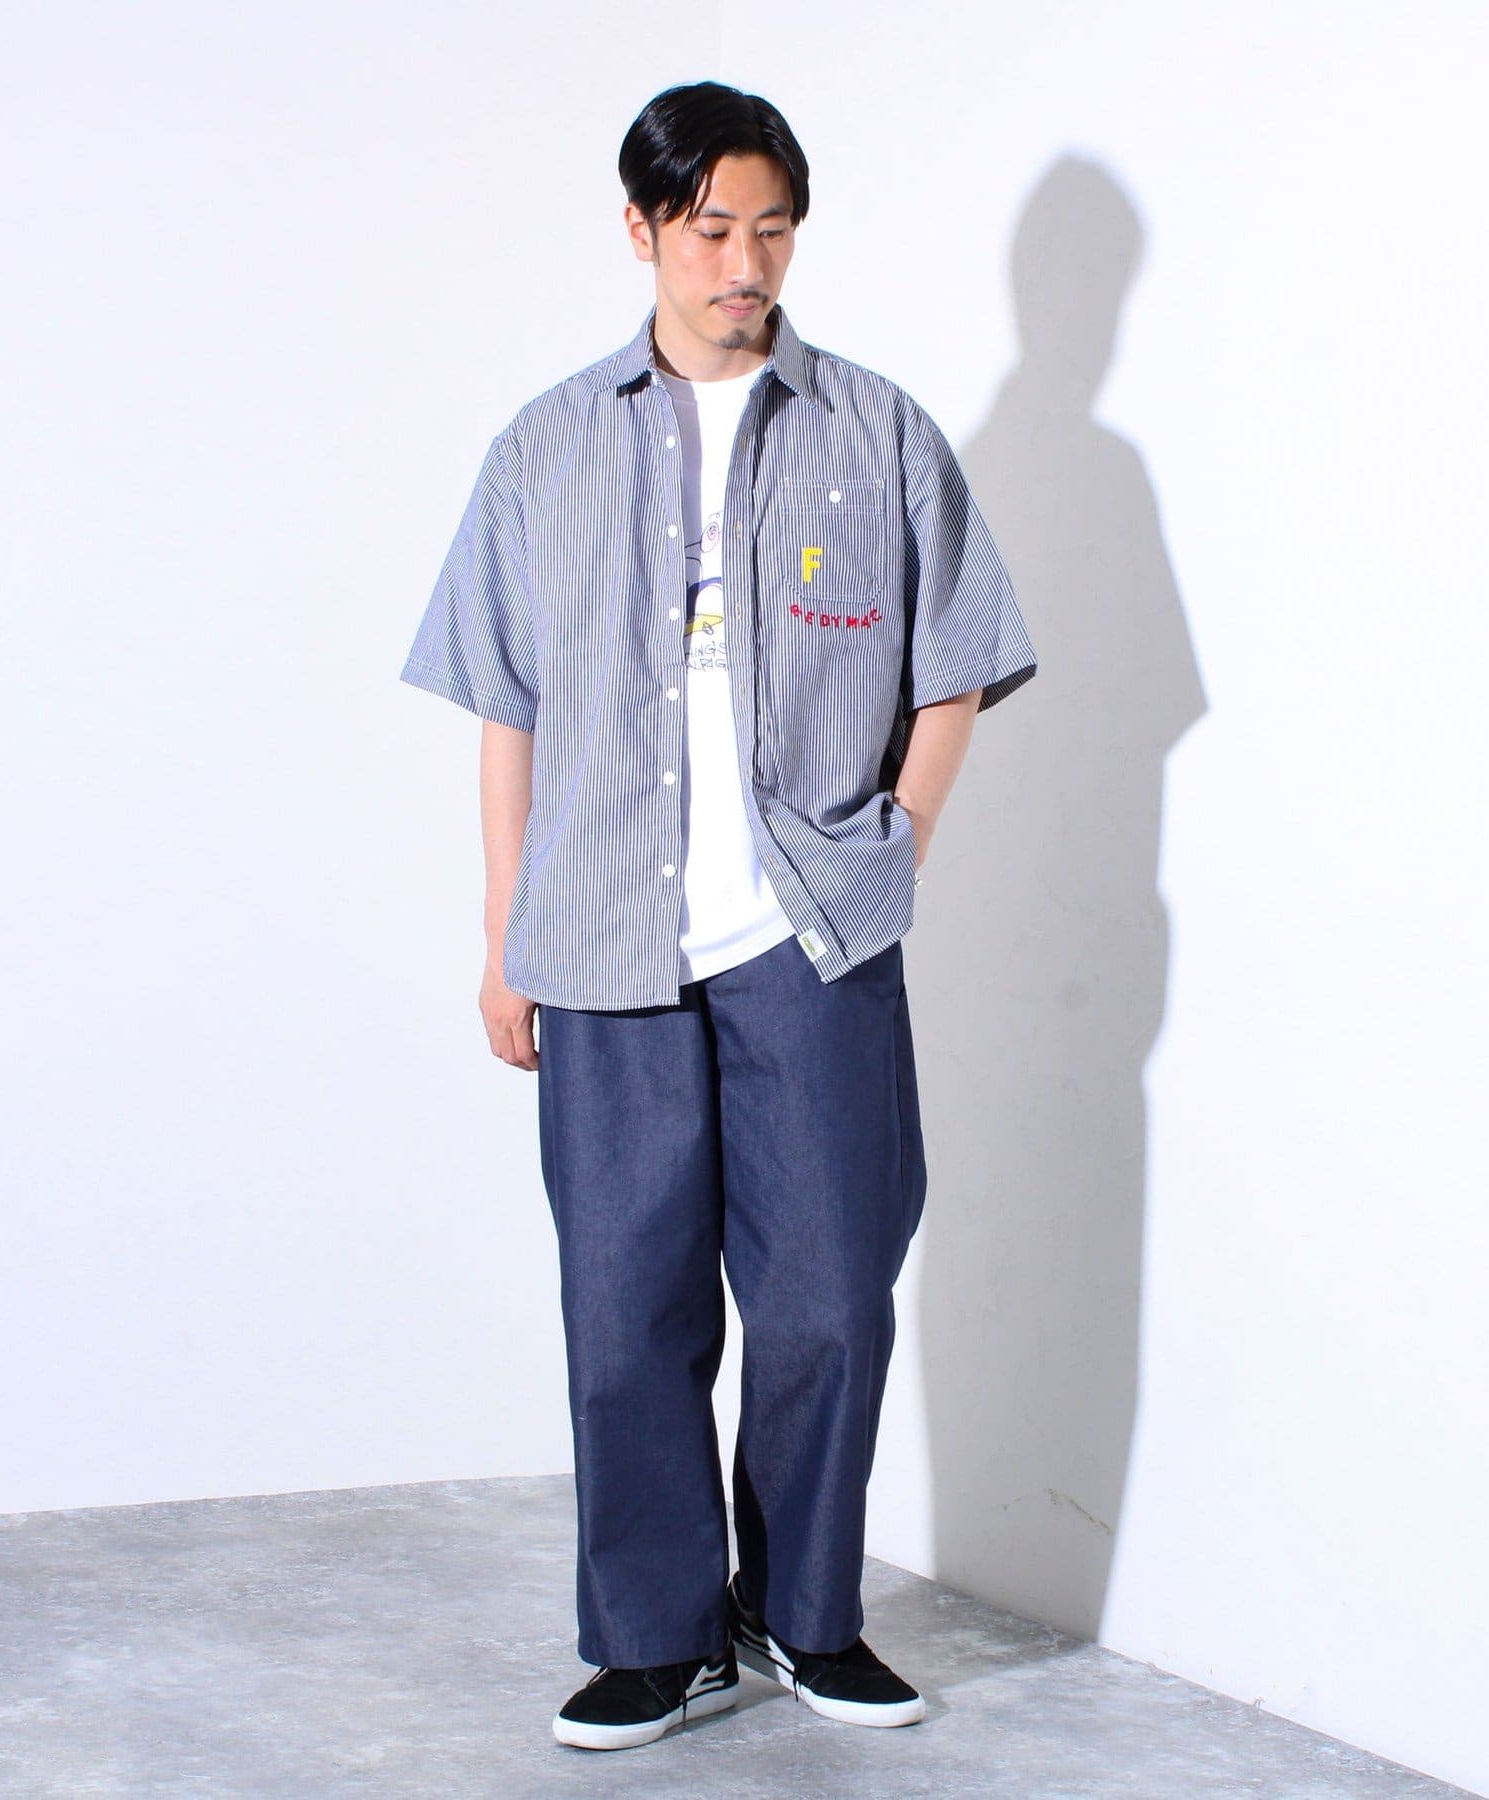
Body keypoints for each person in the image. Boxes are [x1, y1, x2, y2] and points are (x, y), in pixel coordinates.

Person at [398, 79, 1037, 1754]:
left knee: (829, 1298)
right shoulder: (544, 446)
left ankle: (802, 1616)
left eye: (771, 231)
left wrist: (895, 845)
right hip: (605, 944)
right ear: (642, 229)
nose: (743, 264)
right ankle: (657, 1639)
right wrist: (501, 936)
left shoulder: (878, 432)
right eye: (709, 232)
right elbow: (506, 707)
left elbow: (957, 665)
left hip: (809, 938)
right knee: (627, 1309)